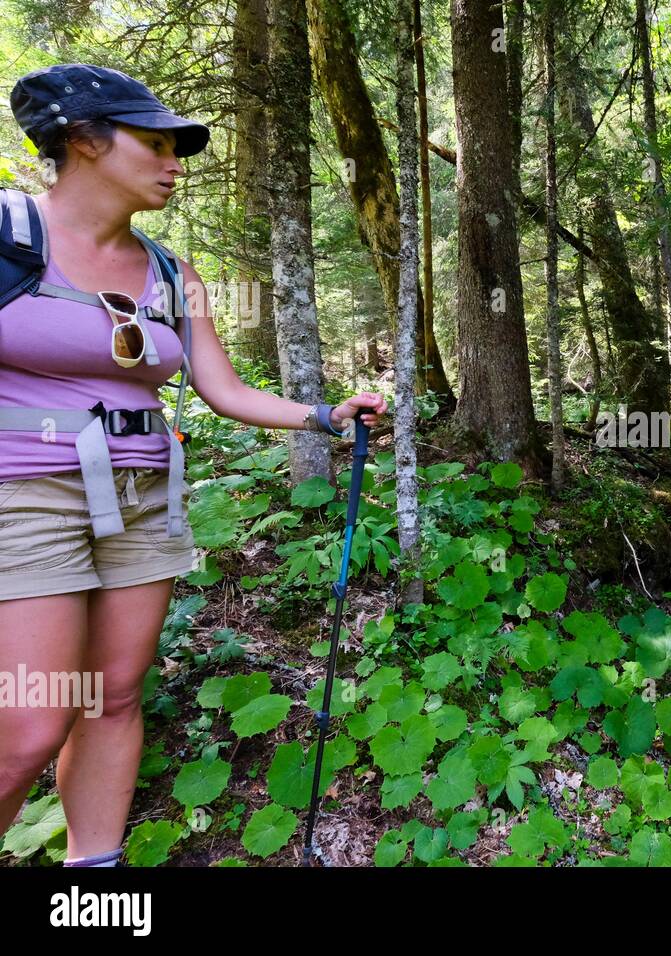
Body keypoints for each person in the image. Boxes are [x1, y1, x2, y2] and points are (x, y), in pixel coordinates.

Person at [0, 64, 389, 866]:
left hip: (143, 497)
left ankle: (93, 886)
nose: (175, 162)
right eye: (156, 143)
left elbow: (222, 387)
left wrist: (321, 415)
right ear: (83, 142)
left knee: (112, 699)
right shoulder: (9, 238)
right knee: (30, 721)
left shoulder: (173, 274)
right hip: (22, 492)